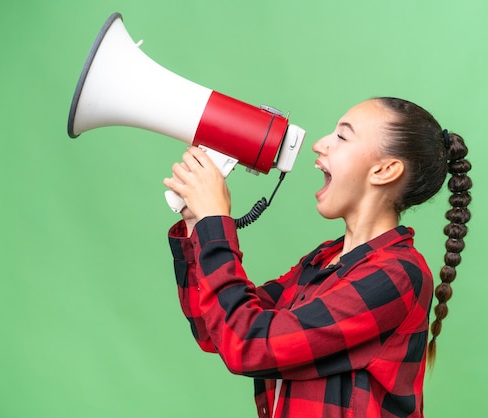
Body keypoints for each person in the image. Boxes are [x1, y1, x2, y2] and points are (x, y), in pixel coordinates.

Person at [163, 97, 472, 418]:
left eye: (342, 136)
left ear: (385, 170)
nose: (319, 145)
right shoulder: (325, 259)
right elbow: (216, 332)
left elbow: (247, 344)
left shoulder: (396, 276)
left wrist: (215, 221)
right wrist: (196, 222)